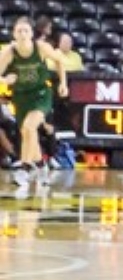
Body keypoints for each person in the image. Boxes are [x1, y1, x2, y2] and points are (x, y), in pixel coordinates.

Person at [0, 17, 70, 187]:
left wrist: (63, 83)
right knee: (27, 134)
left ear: (31, 34)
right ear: (14, 34)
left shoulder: (41, 48)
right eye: (19, 31)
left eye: (26, 30)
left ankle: (24, 169)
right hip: (21, 96)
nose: (23, 34)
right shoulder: (8, 52)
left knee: (29, 127)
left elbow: (59, 60)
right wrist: (4, 80)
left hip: (41, 94)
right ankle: (41, 165)